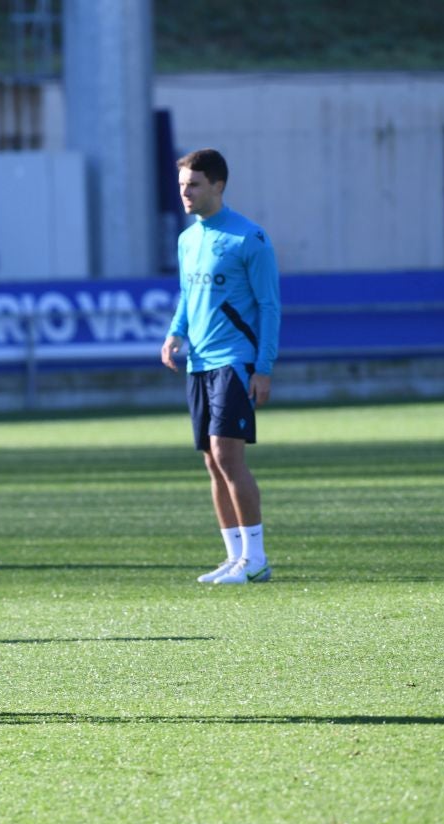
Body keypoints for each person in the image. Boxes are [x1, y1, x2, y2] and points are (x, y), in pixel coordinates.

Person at [161, 148, 281, 585]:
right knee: (212, 462)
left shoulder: (249, 238)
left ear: (218, 185)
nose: (185, 193)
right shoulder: (188, 238)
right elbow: (186, 294)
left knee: (228, 455)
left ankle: (258, 558)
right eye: (181, 186)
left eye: (193, 185)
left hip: (236, 360)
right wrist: (175, 332)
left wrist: (263, 367)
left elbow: (269, 306)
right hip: (200, 361)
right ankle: (235, 557)